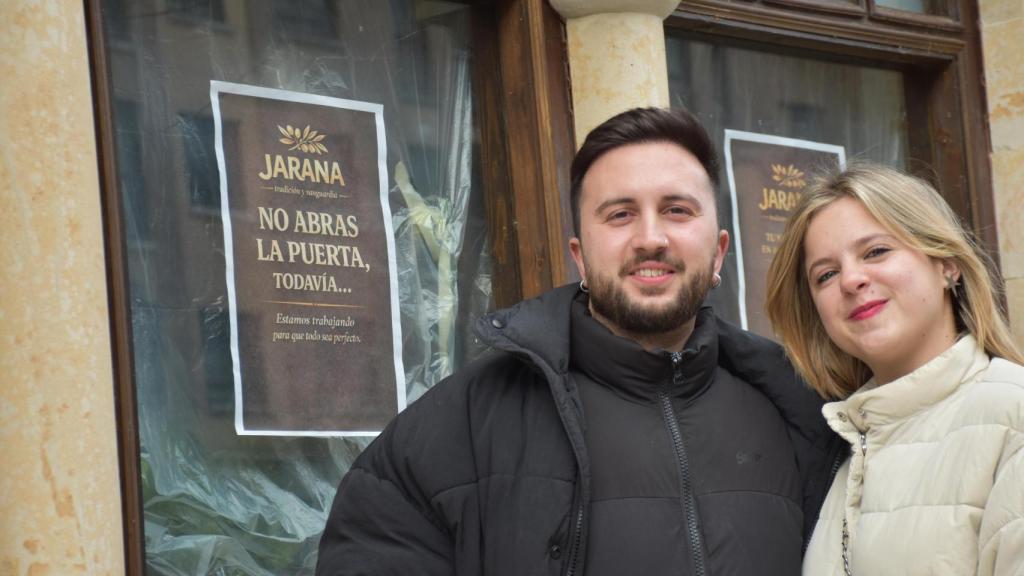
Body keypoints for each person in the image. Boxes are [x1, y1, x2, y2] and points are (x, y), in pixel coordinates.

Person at [316, 107, 838, 576]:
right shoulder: (467, 424)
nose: (650, 238)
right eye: (620, 214)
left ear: (719, 252)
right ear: (581, 256)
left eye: (677, 210)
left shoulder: (800, 414)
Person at [765, 163, 1024, 575]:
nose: (851, 280)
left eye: (876, 252)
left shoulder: (1013, 417)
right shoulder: (846, 445)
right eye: (826, 274)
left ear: (946, 264)